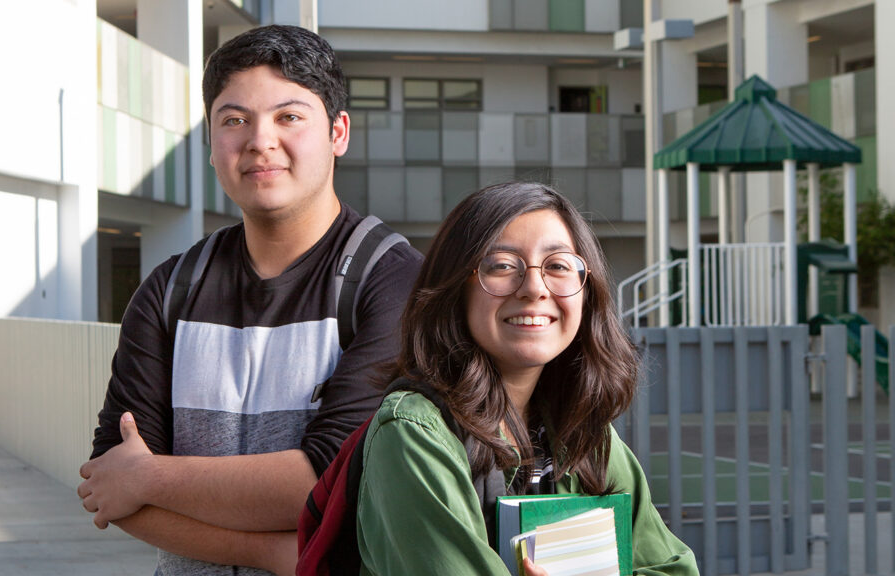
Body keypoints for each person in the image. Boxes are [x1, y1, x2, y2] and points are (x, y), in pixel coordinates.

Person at [76, 25, 422, 576]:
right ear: (211, 144)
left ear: (338, 132)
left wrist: (150, 477)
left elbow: (327, 482)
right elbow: (108, 481)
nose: (260, 140)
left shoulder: (393, 280)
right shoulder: (171, 289)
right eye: (234, 120)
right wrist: (269, 553)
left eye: (289, 117)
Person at [355, 182, 699, 575]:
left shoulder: (583, 432)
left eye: (557, 266)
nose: (534, 288)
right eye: (502, 265)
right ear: (454, 288)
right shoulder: (414, 433)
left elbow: (675, 568)